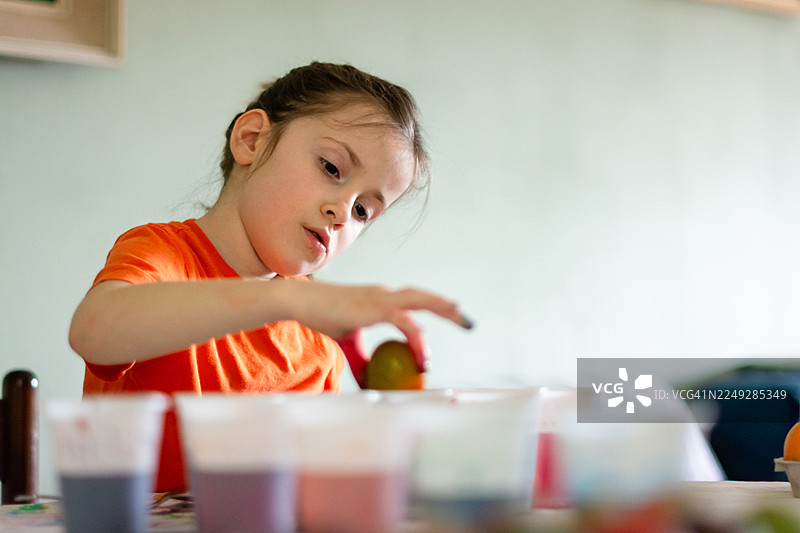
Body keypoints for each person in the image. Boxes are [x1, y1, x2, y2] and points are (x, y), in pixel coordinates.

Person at [68, 61, 473, 492]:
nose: (342, 214)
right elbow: (93, 332)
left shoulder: (318, 341)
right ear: (252, 140)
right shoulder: (163, 255)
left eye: (363, 211)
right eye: (332, 169)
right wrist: (290, 301)